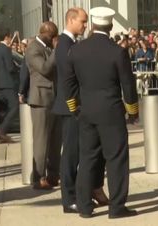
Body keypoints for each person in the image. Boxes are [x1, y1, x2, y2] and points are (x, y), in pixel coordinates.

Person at [65, 7, 139, 219]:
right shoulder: (117, 51)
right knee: (116, 159)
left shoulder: (76, 50)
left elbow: (68, 84)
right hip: (111, 112)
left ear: (94, 25)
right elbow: (128, 85)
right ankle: (116, 207)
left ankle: (85, 207)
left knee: (87, 158)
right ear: (110, 25)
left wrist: (74, 109)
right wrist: (132, 111)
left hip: (86, 111)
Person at [51, 7, 108, 214]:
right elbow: (69, 81)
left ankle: (80, 192)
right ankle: (69, 198)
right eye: (83, 22)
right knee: (71, 155)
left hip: (74, 106)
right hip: (71, 108)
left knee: (81, 153)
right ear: (71, 20)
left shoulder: (72, 44)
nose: (85, 26)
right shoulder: (65, 45)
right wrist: (76, 107)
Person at [25, 21, 61, 190]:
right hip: (40, 99)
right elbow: (45, 69)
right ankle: (38, 177)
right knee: (42, 141)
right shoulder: (34, 49)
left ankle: (54, 175)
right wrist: (55, 50)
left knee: (55, 140)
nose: (54, 39)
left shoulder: (46, 48)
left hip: (54, 98)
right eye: (53, 36)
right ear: (47, 34)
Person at [0, 30, 19, 143]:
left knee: (4, 108)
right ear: (7, 37)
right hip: (8, 83)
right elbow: (10, 67)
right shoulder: (6, 49)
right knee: (15, 106)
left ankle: (2, 133)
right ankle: (2, 129)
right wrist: (16, 70)